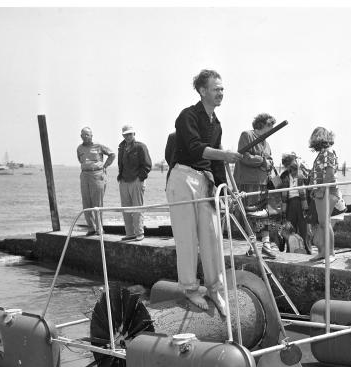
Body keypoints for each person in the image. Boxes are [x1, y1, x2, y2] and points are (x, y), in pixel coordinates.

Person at [167, 69, 242, 313]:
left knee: (212, 235)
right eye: (216, 88)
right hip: (182, 178)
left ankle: (214, 288)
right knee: (187, 237)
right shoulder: (187, 116)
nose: (221, 92)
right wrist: (224, 154)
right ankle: (189, 289)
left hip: (204, 180)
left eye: (222, 88)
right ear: (202, 91)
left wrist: (226, 188)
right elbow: (195, 147)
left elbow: (216, 163)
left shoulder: (216, 123)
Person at [234, 113, 278, 259]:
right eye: (269, 125)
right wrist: (262, 161)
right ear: (261, 125)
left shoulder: (267, 143)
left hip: (263, 183)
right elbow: (243, 156)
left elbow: (270, 160)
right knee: (251, 214)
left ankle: (264, 244)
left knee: (264, 213)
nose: (271, 129)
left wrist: (269, 163)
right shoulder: (247, 135)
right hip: (249, 183)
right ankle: (256, 245)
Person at [308, 126, 340, 263]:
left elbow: (330, 174)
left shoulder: (328, 153)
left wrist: (321, 190)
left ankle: (331, 253)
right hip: (320, 192)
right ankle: (322, 252)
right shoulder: (322, 154)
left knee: (324, 222)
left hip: (328, 191)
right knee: (322, 223)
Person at [76, 127, 115, 236]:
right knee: (86, 203)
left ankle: (99, 229)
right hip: (84, 175)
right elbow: (80, 160)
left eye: (87, 135)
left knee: (97, 203)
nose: (84, 136)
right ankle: (91, 228)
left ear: (91, 135)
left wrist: (105, 165)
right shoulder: (79, 148)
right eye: (83, 135)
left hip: (97, 175)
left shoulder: (99, 146)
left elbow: (112, 154)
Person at [117, 124, 152, 242]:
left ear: (134, 134)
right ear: (123, 135)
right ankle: (130, 233)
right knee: (126, 209)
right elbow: (120, 164)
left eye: (129, 134)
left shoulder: (141, 147)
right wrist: (120, 178)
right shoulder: (121, 147)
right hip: (124, 181)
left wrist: (140, 178)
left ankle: (139, 233)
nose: (127, 136)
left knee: (137, 208)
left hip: (136, 181)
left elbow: (147, 165)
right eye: (125, 134)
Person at [279, 152, 311, 253]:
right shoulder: (284, 175)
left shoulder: (304, 172)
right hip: (289, 204)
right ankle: (290, 251)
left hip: (303, 204)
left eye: (291, 163)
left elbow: (311, 184)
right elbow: (272, 185)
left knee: (304, 230)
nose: (290, 167)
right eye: (287, 166)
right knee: (290, 229)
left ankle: (308, 251)